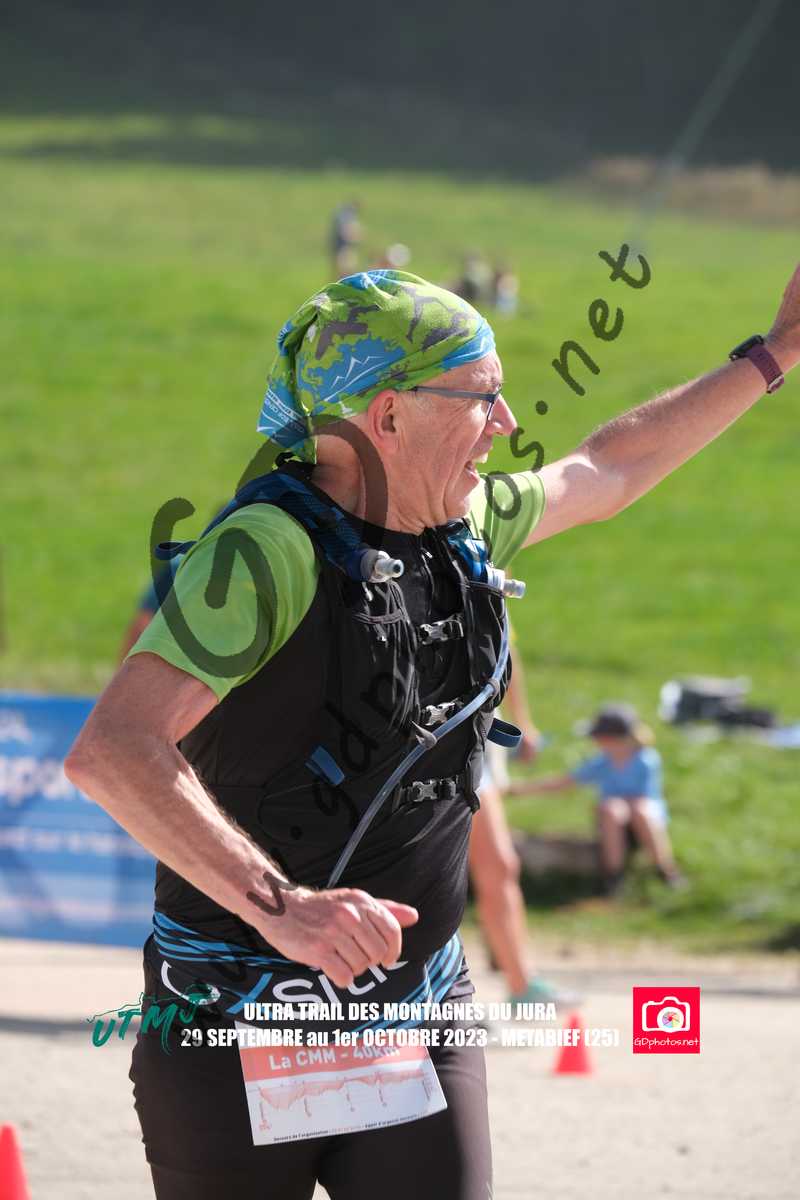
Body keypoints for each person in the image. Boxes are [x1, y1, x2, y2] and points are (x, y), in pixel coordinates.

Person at [65, 263, 800, 1199]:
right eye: (482, 398)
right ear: (388, 416)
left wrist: (777, 354)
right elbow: (114, 750)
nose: (505, 425)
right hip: (236, 1020)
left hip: (415, 1013)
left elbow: (607, 469)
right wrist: (285, 908)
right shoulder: (266, 553)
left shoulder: (463, 526)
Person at [470, 628, 577, 1007]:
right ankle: (435, 999)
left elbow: (504, 651)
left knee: (498, 866)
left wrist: (523, 721)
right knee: (471, 868)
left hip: (479, 735)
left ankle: (521, 984)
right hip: (440, 734)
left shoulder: (490, 587)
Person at [521, 703, 685, 895]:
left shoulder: (645, 760)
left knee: (639, 809)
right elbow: (567, 781)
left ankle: (665, 869)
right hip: (613, 821)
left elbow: (643, 798)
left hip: (644, 820)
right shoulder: (603, 762)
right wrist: (520, 789)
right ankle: (612, 876)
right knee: (611, 809)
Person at [330, 200, 362, 277]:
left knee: (344, 268)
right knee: (346, 268)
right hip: (344, 246)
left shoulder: (342, 215)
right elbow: (346, 232)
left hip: (341, 246)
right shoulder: (347, 216)